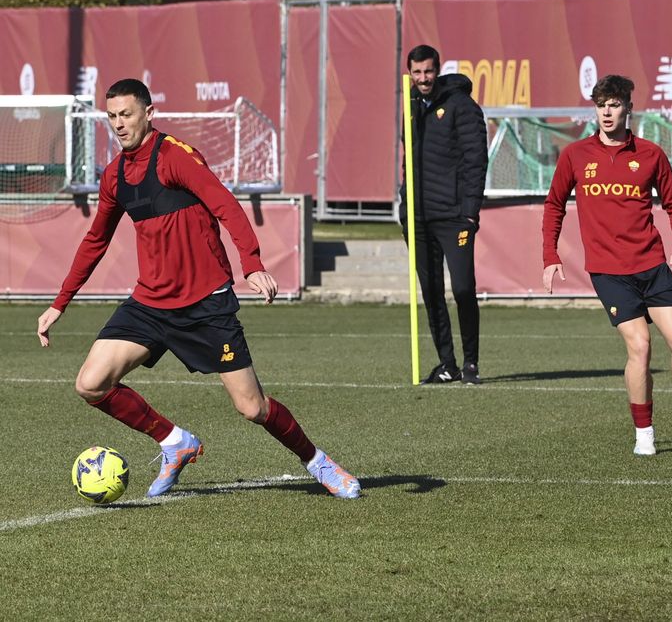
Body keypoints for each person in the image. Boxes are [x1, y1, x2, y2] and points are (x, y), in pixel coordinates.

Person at [36, 78, 360, 499]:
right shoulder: (115, 176)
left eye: (126, 114)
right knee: (91, 384)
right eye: (112, 116)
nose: (118, 124)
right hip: (150, 304)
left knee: (252, 408)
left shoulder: (176, 157)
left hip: (205, 304)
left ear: (149, 114)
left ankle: (318, 462)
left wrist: (253, 264)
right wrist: (60, 303)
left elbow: (225, 204)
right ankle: (175, 442)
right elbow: (96, 239)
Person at [541, 74, 672, 456]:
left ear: (628, 107)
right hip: (609, 272)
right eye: (600, 105)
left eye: (613, 105)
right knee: (640, 348)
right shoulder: (575, 155)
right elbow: (554, 205)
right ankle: (644, 431)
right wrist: (550, 256)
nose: (606, 113)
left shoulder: (650, 154)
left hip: (652, 266)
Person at [401, 44, 488, 385]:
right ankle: (447, 363)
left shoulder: (461, 106)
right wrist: (404, 201)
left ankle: (471, 363)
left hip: (454, 217)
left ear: (438, 70)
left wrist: (470, 212)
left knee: (463, 289)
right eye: (416, 72)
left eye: (428, 71)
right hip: (418, 217)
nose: (423, 78)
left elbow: (475, 161)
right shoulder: (408, 104)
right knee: (431, 290)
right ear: (409, 72)